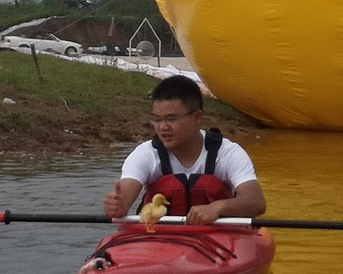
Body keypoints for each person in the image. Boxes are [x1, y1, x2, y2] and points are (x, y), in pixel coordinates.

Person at [102, 75, 267, 225]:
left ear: (197, 118)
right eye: (157, 119)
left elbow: (256, 202)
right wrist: (118, 206)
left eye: (172, 118)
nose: (162, 127)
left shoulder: (228, 153)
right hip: (160, 240)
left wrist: (217, 208)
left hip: (218, 238)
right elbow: (124, 198)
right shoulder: (145, 154)